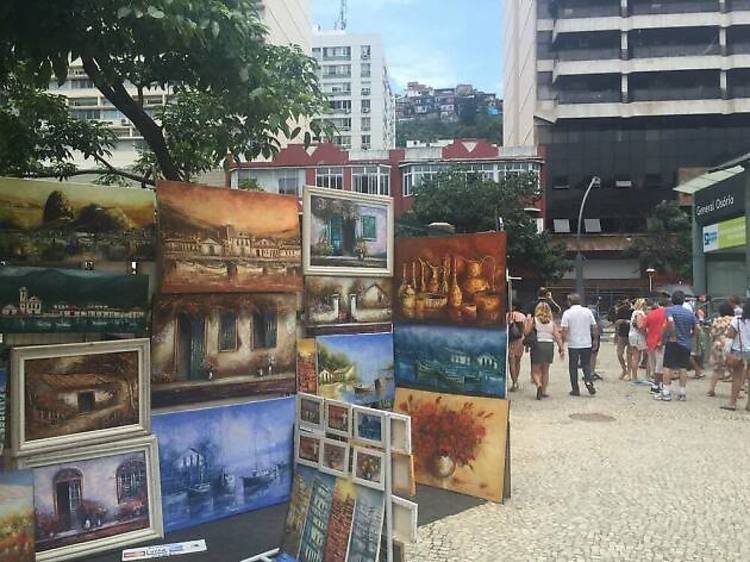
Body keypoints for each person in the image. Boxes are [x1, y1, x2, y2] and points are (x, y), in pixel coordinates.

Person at [655, 290, 697, 402]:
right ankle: (682, 392)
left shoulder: (670, 310)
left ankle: (666, 392)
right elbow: (697, 327)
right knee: (683, 367)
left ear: (672, 300)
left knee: (667, 366)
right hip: (685, 343)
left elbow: (670, 323)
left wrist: (669, 336)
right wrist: (691, 337)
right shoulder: (689, 313)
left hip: (673, 342)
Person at [561, 293, 598, 396]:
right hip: (586, 342)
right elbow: (594, 327)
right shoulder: (587, 311)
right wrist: (595, 340)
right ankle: (588, 381)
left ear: (569, 302)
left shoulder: (567, 313)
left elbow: (564, 329)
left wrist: (562, 341)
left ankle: (575, 388)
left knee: (573, 366)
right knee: (586, 364)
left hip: (573, 343)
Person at [526, 301, 564, 400]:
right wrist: (561, 348)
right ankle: (543, 391)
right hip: (549, 345)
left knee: (535, 370)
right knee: (546, 370)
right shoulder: (552, 323)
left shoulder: (534, 320)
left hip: (537, 345)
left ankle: (538, 384)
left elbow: (526, 332)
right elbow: (557, 336)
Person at [719, 301, 750, 412]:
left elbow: (730, 335)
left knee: (737, 377)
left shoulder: (737, 320)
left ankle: (733, 403)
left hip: (739, 350)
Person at [707, 302, 736, 398]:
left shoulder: (717, 321)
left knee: (716, 369)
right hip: (730, 346)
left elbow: (712, 334)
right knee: (735, 370)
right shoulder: (734, 320)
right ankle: (737, 391)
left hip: (718, 346)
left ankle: (711, 389)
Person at [644, 298, 669, 395]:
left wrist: (647, 336)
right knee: (661, 365)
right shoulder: (667, 313)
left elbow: (643, 326)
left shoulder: (651, 314)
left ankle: (656, 384)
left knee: (653, 365)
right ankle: (658, 385)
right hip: (661, 342)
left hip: (650, 341)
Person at [627, 298, 648, 382]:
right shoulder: (640, 313)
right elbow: (639, 326)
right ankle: (635, 377)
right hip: (638, 336)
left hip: (632, 335)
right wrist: (646, 334)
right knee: (636, 357)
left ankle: (634, 376)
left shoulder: (634, 313)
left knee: (635, 356)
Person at [506, 305, 527, 392]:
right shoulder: (522, 316)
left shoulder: (507, 315)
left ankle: (514, 381)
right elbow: (525, 330)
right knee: (518, 361)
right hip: (520, 340)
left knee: (511, 362)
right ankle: (516, 379)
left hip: (511, 341)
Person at [613, 299, 632, 379]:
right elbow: (616, 323)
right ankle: (624, 369)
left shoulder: (634, 310)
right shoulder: (620, 310)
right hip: (622, 334)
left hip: (631, 334)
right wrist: (616, 334)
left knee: (629, 354)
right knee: (619, 353)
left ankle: (628, 372)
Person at [589, 298, 606, 380]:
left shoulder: (591, 311)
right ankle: (591, 372)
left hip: (591, 334)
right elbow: (595, 325)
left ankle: (591, 371)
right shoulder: (593, 311)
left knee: (592, 354)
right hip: (593, 334)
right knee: (593, 354)